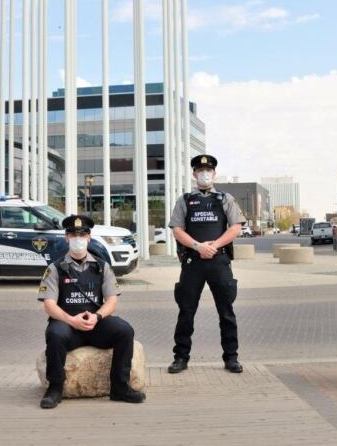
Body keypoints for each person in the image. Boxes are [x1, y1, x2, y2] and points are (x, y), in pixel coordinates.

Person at [37, 215, 145, 408]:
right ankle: (54, 388)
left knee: (124, 331)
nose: (78, 238)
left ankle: (120, 388)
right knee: (55, 334)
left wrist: (97, 317)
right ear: (66, 238)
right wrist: (71, 320)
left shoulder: (102, 266)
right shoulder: (55, 268)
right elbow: (49, 305)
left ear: (89, 237)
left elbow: (112, 300)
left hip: (96, 323)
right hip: (67, 324)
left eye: (82, 234)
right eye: (73, 234)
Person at [167, 154, 247, 374]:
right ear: (194, 174)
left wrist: (213, 245)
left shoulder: (225, 199)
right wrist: (197, 246)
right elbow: (177, 230)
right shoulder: (184, 200)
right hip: (193, 261)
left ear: (214, 173)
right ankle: (180, 357)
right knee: (186, 311)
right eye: (200, 171)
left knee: (226, 311)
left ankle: (231, 358)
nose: (204, 174)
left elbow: (235, 228)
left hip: (219, 261)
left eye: (208, 170)